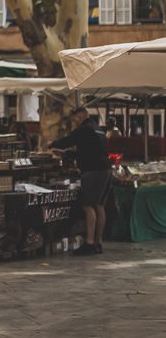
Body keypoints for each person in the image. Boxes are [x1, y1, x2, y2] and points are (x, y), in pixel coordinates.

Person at [52, 107, 111, 256]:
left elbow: (67, 141)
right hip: (105, 170)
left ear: (81, 116)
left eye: (75, 119)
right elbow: (88, 150)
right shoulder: (97, 129)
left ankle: (89, 243)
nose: (74, 122)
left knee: (88, 206)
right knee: (99, 206)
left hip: (93, 171)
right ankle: (98, 242)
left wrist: (53, 144)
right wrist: (69, 154)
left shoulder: (84, 129)